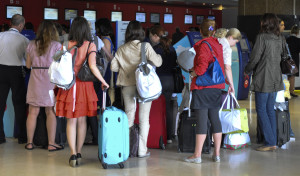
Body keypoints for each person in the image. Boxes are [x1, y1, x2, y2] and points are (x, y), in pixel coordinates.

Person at [55, 16, 109, 167]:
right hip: (84, 86)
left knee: (70, 120)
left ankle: (72, 154)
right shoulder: (90, 44)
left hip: (68, 85)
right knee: (82, 120)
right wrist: (103, 81)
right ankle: (79, 152)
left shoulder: (65, 44)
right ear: (86, 29)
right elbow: (92, 66)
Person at [111, 20, 162, 158]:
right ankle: (141, 150)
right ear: (141, 32)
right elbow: (158, 62)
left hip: (127, 86)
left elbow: (113, 67)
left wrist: (124, 66)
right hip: (144, 86)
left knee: (129, 117)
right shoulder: (145, 46)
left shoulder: (122, 48)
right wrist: (158, 57)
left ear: (127, 33)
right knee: (144, 119)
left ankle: (128, 149)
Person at [184, 19, 224, 163]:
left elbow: (201, 68)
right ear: (214, 31)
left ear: (200, 31)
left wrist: (193, 72)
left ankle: (197, 155)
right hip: (216, 87)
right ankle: (217, 154)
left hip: (203, 88)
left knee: (201, 120)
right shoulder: (218, 45)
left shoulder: (203, 46)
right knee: (215, 119)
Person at [244, 13, 284, 151]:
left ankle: (270, 142)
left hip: (263, 78)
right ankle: (272, 140)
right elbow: (284, 56)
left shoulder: (261, 38)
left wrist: (247, 70)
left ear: (265, 23)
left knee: (261, 110)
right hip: (275, 79)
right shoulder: (280, 38)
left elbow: (254, 58)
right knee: (270, 110)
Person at [25, 21, 63, 151]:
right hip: (50, 80)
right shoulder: (57, 46)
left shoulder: (31, 44)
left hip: (35, 79)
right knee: (50, 112)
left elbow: (28, 66)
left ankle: (29, 143)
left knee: (33, 112)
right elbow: (59, 66)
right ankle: (51, 144)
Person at [0, 14, 29, 144]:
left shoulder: (0, 36)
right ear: (21, 25)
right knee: (19, 105)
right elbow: (28, 60)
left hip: (1, 70)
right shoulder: (24, 40)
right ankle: (22, 137)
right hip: (17, 72)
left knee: (0, 104)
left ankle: (0, 137)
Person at [149, 25, 177, 143]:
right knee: (169, 108)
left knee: (159, 108)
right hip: (171, 81)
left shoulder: (156, 49)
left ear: (156, 36)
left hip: (159, 81)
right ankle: (170, 135)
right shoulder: (172, 49)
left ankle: (161, 134)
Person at [216, 28, 242, 94]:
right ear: (230, 37)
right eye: (235, 42)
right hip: (215, 78)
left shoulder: (219, 39)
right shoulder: (227, 48)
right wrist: (231, 84)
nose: (234, 45)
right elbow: (227, 68)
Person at [286, 25, 300, 97]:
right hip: (295, 60)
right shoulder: (298, 40)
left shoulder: (287, 39)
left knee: (288, 76)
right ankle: (291, 91)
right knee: (292, 76)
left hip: (287, 59)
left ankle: (287, 91)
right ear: (297, 32)